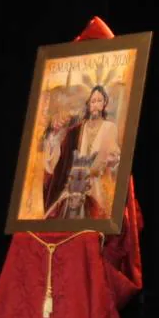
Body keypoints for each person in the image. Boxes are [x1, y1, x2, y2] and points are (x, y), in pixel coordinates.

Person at [42, 85, 121, 219]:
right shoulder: (77, 130)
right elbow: (63, 157)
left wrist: (111, 161)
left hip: (97, 184)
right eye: (93, 101)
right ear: (89, 104)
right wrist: (54, 136)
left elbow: (113, 157)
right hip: (75, 183)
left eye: (99, 100)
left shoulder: (110, 127)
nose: (95, 104)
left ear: (104, 103)